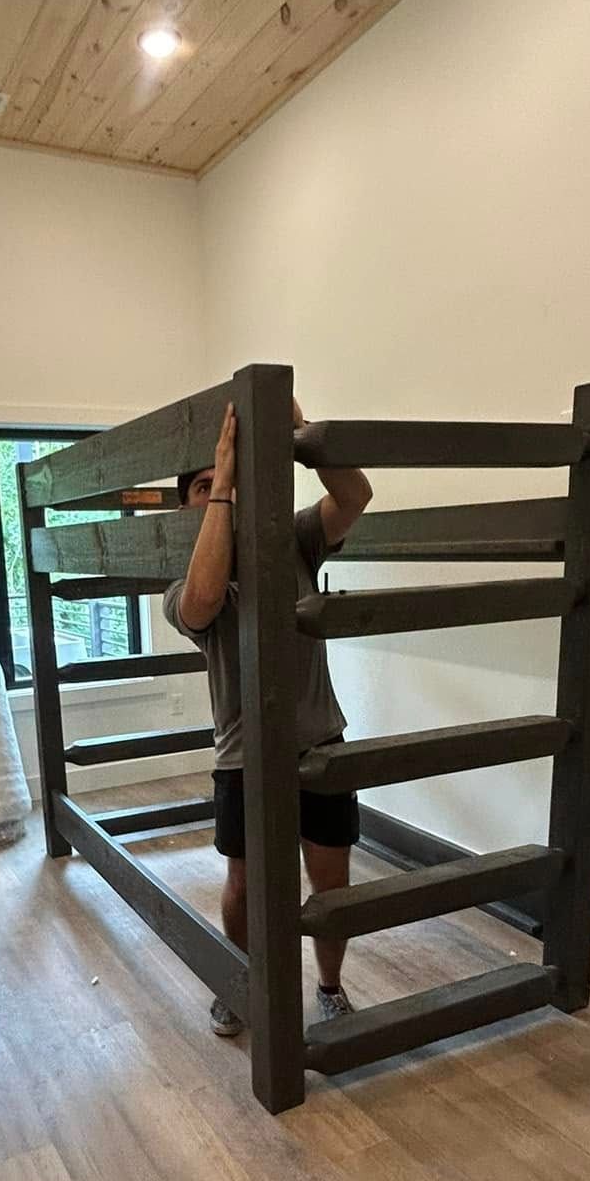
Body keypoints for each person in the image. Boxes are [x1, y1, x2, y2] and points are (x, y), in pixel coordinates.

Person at [164, 398, 373, 1037]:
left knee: (331, 880)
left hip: (319, 743)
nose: (216, 490)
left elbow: (356, 494)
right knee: (245, 885)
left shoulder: (294, 541)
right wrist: (224, 481)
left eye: (222, 480)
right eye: (200, 488)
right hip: (243, 755)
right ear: (188, 509)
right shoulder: (180, 586)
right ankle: (243, 979)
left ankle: (331, 985)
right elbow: (203, 602)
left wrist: (301, 437)